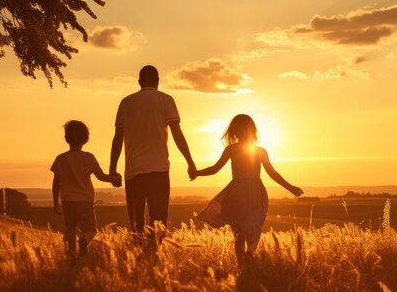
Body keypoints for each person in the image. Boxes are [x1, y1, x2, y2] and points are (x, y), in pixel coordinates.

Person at [190, 114, 304, 269]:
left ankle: (242, 264)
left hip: (237, 192)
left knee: (239, 232)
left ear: (235, 132)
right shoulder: (259, 151)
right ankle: (248, 257)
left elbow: (214, 169)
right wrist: (290, 187)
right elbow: (273, 173)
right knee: (252, 227)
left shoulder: (232, 149)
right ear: (253, 131)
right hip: (254, 193)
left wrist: (197, 173)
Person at [109, 65, 196, 238]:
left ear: (139, 81)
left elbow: (118, 138)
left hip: (133, 172)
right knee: (159, 225)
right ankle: (156, 260)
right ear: (158, 81)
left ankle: (137, 262)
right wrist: (190, 162)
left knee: (136, 226)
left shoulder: (126, 102)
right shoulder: (166, 100)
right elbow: (177, 134)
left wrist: (112, 169)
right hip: (159, 170)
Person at [51, 120, 120, 263]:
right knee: (90, 230)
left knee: (70, 230)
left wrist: (55, 201)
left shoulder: (60, 159)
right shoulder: (88, 158)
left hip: (67, 202)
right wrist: (114, 179)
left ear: (66, 139)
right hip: (85, 202)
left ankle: (71, 256)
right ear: (86, 139)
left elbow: (56, 182)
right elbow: (101, 177)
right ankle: (84, 240)